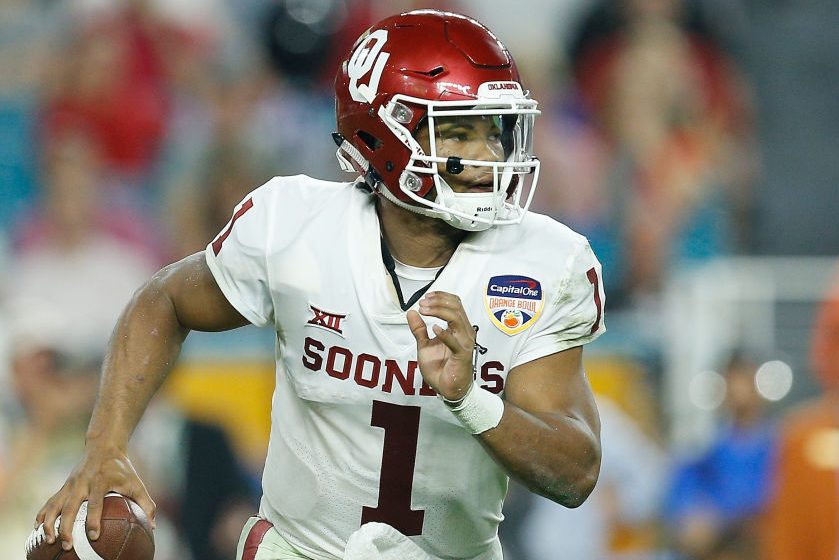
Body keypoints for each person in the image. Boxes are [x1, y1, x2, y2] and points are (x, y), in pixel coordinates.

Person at [34, 10, 606, 560]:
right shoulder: (295, 226)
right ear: (384, 137)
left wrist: (471, 400)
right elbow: (164, 301)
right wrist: (104, 446)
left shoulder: (541, 262)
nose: (490, 156)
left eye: (494, 131)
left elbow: (575, 472)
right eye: (458, 133)